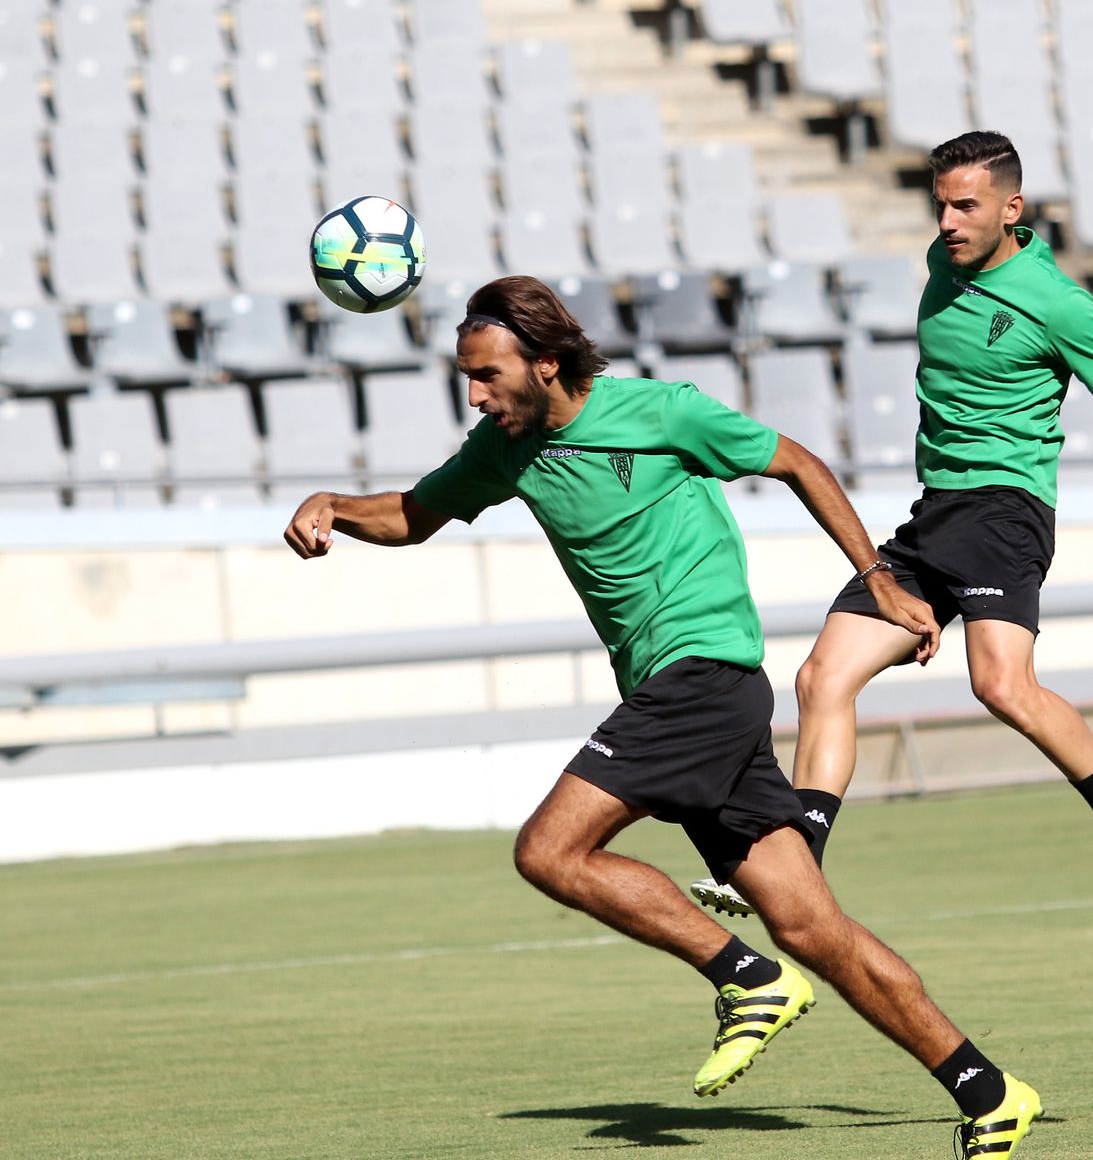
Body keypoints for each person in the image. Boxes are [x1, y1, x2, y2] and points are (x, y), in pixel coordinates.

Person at [283, 275, 1044, 1156]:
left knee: (549, 850)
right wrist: (334, 505)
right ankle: (990, 1091)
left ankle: (744, 975)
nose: (476, 394)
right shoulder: (503, 447)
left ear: (546, 363)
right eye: (468, 376)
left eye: (488, 374)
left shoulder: (664, 411)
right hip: (689, 695)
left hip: (703, 676)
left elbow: (799, 462)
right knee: (814, 928)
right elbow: (415, 515)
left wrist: (877, 578)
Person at [691, 130, 1093, 932]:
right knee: (821, 677)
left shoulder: (1055, 300)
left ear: (1012, 209)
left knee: (1001, 685)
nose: (948, 222)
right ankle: (796, 867)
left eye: (967, 206)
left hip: (1007, 509)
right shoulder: (942, 261)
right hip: (935, 516)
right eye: (941, 206)